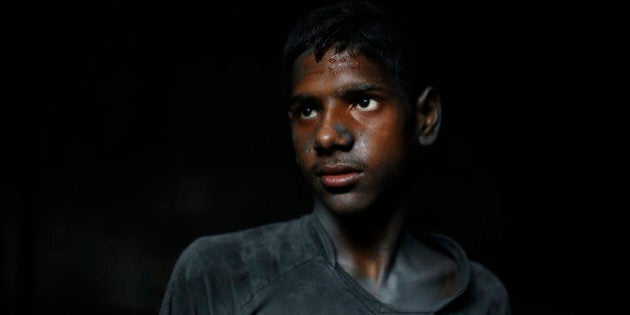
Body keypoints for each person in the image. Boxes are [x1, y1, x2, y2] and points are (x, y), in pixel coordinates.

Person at [159, 1, 511, 314]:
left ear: (425, 117)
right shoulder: (222, 272)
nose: (326, 136)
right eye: (308, 110)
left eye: (363, 102)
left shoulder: (482, 297)